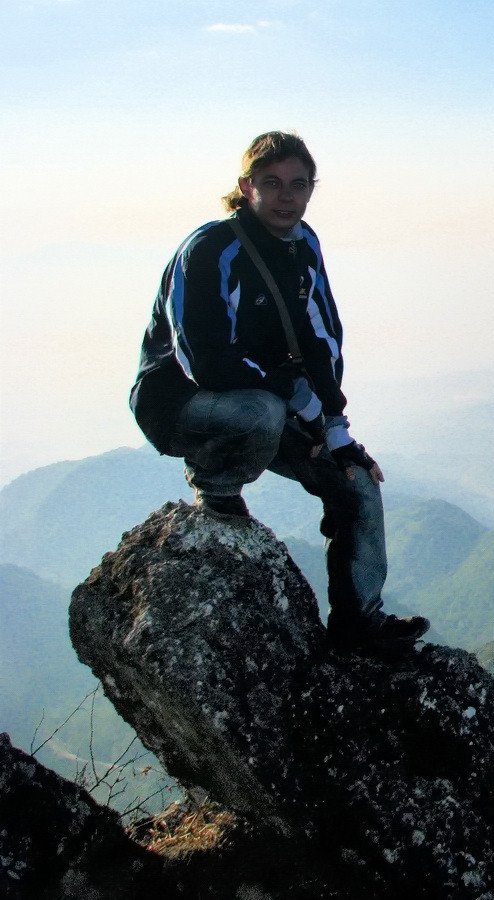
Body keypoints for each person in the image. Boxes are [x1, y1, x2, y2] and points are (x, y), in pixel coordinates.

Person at [130, 131, 429, 653]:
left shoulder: (303, 245)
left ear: (313, 188)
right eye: (272, 183)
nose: (286, 197)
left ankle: (360, 621)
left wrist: (333, 429)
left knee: (357, 483)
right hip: (181, 404)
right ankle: (216, 485)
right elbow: (203, 359)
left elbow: (321, 338)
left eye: (298, 184)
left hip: (273, 400)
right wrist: (298, 406)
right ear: (246, 187)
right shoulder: (210, 250)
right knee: (262, 413)